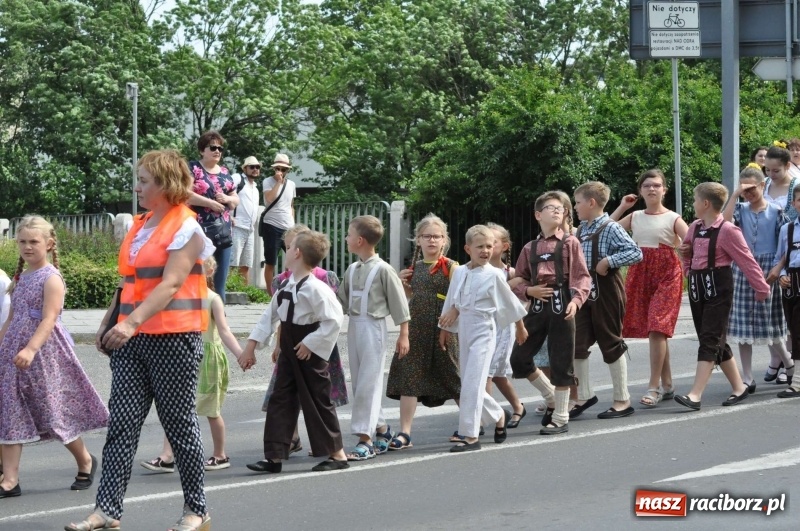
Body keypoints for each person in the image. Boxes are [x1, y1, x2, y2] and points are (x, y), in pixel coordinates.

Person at [66, 149, 214, 531]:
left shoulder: (187, 227)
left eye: (144, 181)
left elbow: (171, 283)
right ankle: (106, 511)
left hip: (173, 339)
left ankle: (196, 511)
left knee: (180, 426)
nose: (137, 187)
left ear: (165, 185)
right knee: (123, 427)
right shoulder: (141, 224)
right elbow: (127, 282)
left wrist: (128, 324)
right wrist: (107, 324)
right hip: (133, 339)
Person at [0, 216, 107, 500]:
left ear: (49, 244)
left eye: (34, 242)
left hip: (43, 353)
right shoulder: (21, 278)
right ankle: (10, 479)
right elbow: (12, 317)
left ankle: (85, 460)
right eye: (22, 241)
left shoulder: (51, 278)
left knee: (52, 411)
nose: (27, 247)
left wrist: (31, 349)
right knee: (8, 410)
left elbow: (49, 319)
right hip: (13, 352)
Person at [240, 230, 349, 473]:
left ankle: (337, 454)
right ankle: (275, 455)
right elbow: (269, 317)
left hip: (307, 349)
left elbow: (334, 319)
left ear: (297, 253)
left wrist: (312, 342)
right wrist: (250, 348)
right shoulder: (287, 284)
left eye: (289, 248)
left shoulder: (316, 288)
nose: (286, 250)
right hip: (290, 345)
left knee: (317, 398)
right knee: (281, 398)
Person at [140, 256, 245, 474]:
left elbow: (224, 331)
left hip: (208, 359)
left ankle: (220, 455)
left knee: (211, 410)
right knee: (176, 408)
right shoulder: (180, 296)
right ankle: (167, 456)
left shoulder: (213, 299)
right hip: (184, 356)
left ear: (208, 272)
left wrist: (241, 355)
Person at [674, 183, 770, 410]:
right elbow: (686, 252)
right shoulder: (695, 227)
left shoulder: (728, 230)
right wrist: (687, 267)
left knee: (709, 339)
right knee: (716, 340)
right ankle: (739, 387)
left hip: (719, 287)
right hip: (698, 288)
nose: (694, 204)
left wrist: (761, 288)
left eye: (696, 200)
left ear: (705, 203)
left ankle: (695, 395)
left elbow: (747, 260)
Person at [509, 192, 592, 435]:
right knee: (519, 358)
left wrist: (576, 301)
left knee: (561, 361)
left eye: (561, 208)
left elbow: (582, 276)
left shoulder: (570, 243)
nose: (557, 211)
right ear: (538, 215)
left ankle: (561, 416)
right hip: (537, 306)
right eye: (550, 207)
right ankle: (550, 396)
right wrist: (528, 290)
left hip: (562, 304)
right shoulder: (529, 247)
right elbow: (519, 277)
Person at [439, 225, 527, 451]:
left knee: (473, 384)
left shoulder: (494, 274)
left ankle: (470, 436)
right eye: (480, 247)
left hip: (485, 330)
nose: (485, 251)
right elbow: (453, 299)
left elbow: (510, 303)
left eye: (489, 246)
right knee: (467, 382)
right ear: (468, 248)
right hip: (465, 329)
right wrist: (446, 328)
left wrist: (520, 327)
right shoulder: (459, 271)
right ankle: (499, 415)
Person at [610, 169, 688, 408]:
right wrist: (622, 207)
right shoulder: (634, 217)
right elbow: (605, 230)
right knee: (656, 331)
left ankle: (653, 387)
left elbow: (691, 243)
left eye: (656, 185)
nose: (652, 189)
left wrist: (688, 263)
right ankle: (668, 384)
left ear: (664, 189)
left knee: (657, 326)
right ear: (641, 190)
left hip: (667, 274)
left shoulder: (674, 218)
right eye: (647, 186)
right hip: (640, 272)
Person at [338, 215, 410, 460]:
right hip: (355, 327)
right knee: (360, 383)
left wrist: (403, 335)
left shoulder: (384, 269)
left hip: (374, 327)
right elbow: (341, 301)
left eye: (348, 234)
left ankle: (364, 439)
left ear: (359, 240)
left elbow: (400, 305)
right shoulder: (351, 269)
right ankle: (382, 429)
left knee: (369, 381)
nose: (345, 238)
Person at [386, 214, 460, 450]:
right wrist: (402, 285)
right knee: (410, 376)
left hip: (443, 331)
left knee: (454, 376)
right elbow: (410, 299)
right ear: (418, 240)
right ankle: (405, 432)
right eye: (426, 236)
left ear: (444, 240)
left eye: (436, 236)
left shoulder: (452, 267)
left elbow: (459, 300)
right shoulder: (413, 268)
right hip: (416, 329)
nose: (431, 241)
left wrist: (448, 326)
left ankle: (472, 422)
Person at [571, 182, 643, 420]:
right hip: (583, 292)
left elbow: (635, 252)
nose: (575, 206)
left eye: (578, 202)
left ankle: (622, 399)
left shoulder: (611, 227)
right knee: (577, 342)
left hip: (607, 290)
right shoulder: (582, 228)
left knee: (610, 342)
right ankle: (584, 395)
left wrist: (609, 261)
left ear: (591, 203)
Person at [722, 165, 791, 394]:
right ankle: (748, 376)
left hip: (768, 269)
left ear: (763, 185)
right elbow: (724, 223)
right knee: (743, 325)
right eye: (744, 190)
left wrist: (777, 269)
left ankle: (788, 363)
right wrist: (734, 195)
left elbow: (785, 245)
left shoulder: (776, 211)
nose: (748, 193)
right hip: (743, 268)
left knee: (771, 322)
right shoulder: (740, 209)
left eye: (752, 188)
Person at [484, 223, 527, 428]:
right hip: (482, 326)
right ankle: (518, 406)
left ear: (505, 246)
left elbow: (515, 303)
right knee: (498, 375)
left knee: (488, 373)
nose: (488, 246)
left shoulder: (510, 273)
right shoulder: (473, 269)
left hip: (502, 328)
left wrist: (520, 327)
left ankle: (485, 419)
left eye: (493, 242)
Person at [188, 130, 239, 305]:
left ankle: (220, 322)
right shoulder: (193, 168)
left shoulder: (225, 172)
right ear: (202, 150)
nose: (217, 151)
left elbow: (235, 199)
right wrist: (209, 203)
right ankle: (197, 321)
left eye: (220, 148)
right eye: (213, 147)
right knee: (198, 277)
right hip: (199, 232)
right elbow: (185, 194)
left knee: (219, 281)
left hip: (223, 232)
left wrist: (228, 199)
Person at [764, 143, 799, 385]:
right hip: (768, 252)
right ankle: (778, 358)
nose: (771, 175)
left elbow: (794, 236)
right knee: (771, 312)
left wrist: (782, 267)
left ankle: (789, 363)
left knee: (790, 315)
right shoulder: (765, 184)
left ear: (788, 166)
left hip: (789, 256)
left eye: (776, 170)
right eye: (767, 170)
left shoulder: (796, 189)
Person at [774, 183, 800, 398]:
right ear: (794, 203)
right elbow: (780, 258)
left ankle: (797, 382)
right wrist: (781, 276)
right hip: (792, 285)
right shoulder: (787, 228)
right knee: (793, 330)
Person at [261, 153, 297, 293]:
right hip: (272, 225)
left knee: (294, 259)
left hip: (288, 227)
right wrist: (278, 182)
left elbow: (291, 205)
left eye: (284, 169)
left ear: (288, 170)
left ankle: (290, 289)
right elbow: (269, 198)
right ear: (274, 169)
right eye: (278, 168)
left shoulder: (292, 184)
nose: (281, 172)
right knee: (270, 262)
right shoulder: (267, 181)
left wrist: (293, 223)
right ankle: (271, 295)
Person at [230, 156, 261, 284]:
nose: (255, 169)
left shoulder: (256, 187)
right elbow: (225, 192)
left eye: (257, 167)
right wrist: (228, 215)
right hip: (236, 226)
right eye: (252, 167)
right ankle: (228, 290)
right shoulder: (237, 178)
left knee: (246, 264)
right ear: (245, 168)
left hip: (249, 229)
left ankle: (243, 292)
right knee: (233, 262)